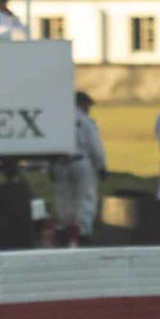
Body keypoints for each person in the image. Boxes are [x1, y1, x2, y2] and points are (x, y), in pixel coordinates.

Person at [52, 92, 106, 245]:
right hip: (81, 162)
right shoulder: (86, 121)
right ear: (82, 104)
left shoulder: (59, 120)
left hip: (61, 163)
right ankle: (84, 233)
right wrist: (101, 166)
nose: (89, 109)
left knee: (64, 198)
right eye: (88, 105)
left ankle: (62, 232)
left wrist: (49, 166)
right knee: (86, 198)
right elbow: (95, 147)